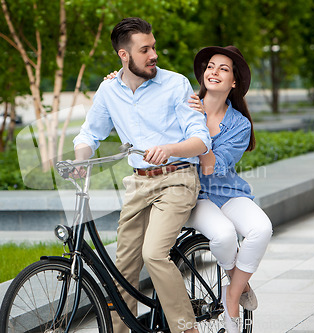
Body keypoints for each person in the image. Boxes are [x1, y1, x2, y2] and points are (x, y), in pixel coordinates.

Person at [73, 17, 211, 333]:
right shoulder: (109, 90)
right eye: (144, 49)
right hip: (138, 183)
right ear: (124, 55)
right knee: (124, 267)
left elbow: (200, 139)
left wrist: (170, 148)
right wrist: (81, 159)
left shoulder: (176, 84)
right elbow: (89, 134)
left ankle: (185, 328)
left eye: (153, 47)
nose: (153, 55)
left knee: (154, 254)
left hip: (177, 178)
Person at [187, 45, 273, 332]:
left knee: (261, 228)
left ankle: (232, 298)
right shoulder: (184, 106)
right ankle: (240, 278)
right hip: (192, 194)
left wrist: (199, 129)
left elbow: (211, 166)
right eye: (211, 66)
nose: (214, 72)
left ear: (233, 82)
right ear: (203, 73)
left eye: (223, 69)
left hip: (227, 192)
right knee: (223, 236)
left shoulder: (239, 124)